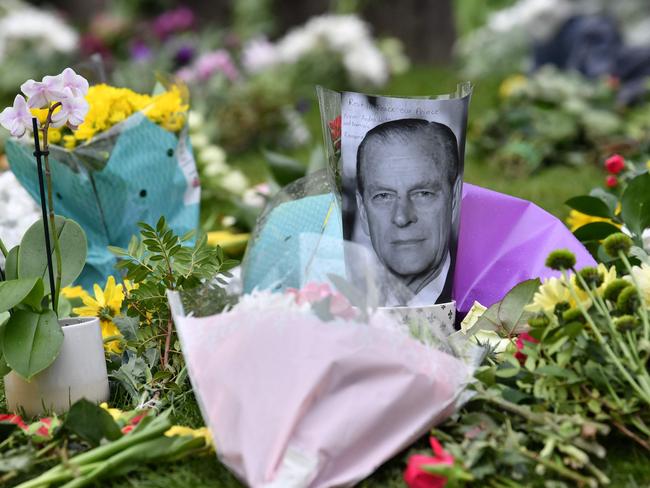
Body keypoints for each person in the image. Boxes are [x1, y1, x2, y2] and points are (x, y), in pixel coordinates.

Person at [355, 118, 461, 306]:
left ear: (454, 198)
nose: (402, 217)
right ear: (362, 210)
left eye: (422, 193)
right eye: (383, 196)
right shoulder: (334, 302)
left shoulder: (489, 297)